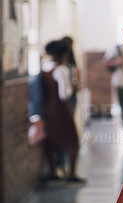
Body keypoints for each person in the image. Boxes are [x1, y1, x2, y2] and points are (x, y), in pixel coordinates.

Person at [41, 39, 85, 183]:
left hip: (49, 107)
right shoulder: (62, 70)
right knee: (73, 141)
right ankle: (71, 174)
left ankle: (54, 172)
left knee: (52, 140)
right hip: (61, 108)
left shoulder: (45, 67)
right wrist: (71, 85)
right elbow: (63, 94)